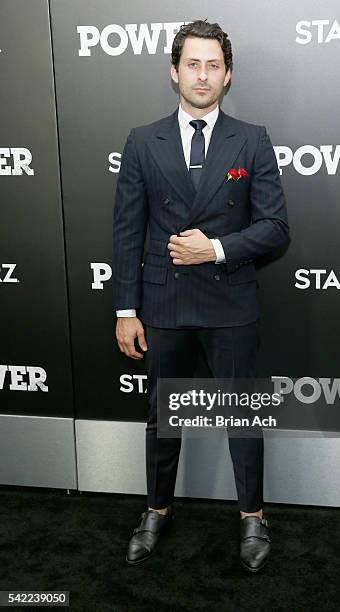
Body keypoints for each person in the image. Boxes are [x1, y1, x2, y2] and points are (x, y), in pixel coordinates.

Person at [112, 19, 289, 573]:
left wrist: (213, 248)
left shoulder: (251, 139)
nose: (203, 74)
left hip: (230, 303)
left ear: (228, 75)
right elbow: (126, 231)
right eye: (193, 63)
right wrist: (125, 309)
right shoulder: (142, 140)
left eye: (214, 65)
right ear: (174, 71)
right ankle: (156, 510)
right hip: (163, 307)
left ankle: (253, 516)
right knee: (163, 418)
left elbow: (276, 228)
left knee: (243, 418)